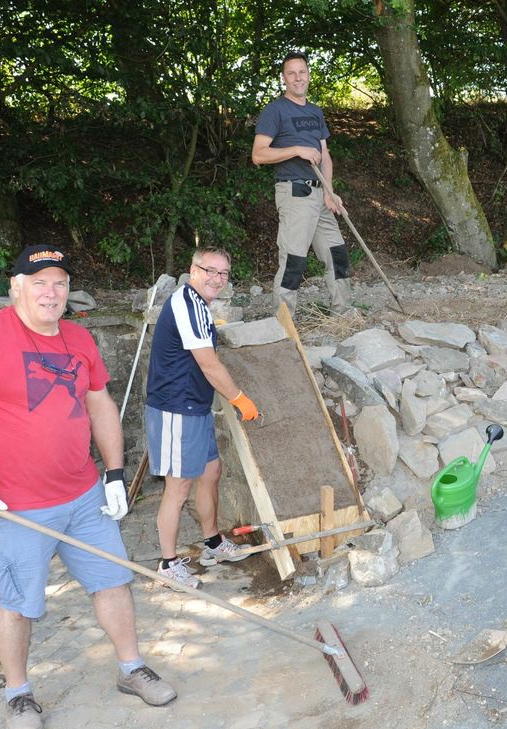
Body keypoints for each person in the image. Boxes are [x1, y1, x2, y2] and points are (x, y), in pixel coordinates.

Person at [0, 245, 177, 729]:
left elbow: (99, 404)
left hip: (83, 496)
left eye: (59, 282)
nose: (51, 291)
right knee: (17, 604)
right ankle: (18, 694)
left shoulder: (80, 338)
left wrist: (115, 472)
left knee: (114, 582)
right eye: (38, 282)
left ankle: (131, 668)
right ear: (16, 287)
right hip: (14, 507)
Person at [146, 246, 260, 589]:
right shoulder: (186, 303)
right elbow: (209, 364)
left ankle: (213, 545)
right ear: (192, 269)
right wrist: (239, 399)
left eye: (223, 273)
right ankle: (168, 565)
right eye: (209, 270)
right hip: (175, 408)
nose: (216, 278)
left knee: (211, 470)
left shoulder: (199, 305)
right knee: (178, 487)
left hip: (195, 405)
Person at [251, 50, 353, 315]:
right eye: (292, 73)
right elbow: (258, 154)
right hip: (295, 193)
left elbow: (325, 156)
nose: (298, 77)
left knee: (337, 255)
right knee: (294, 259)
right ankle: (284, 324)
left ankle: (342, 316)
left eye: (302, 72)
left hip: (321, 195)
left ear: (308, 75)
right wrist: (296, 149)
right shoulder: (275, 111)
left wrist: (330, 192)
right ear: (284, 78)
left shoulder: (315, 112)